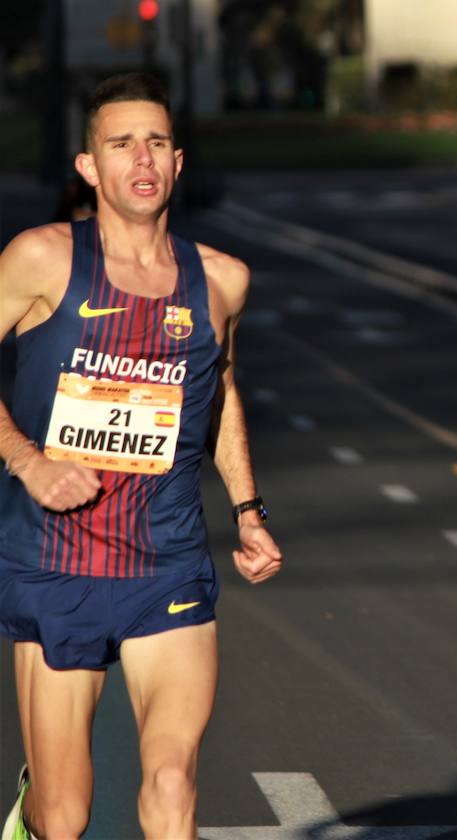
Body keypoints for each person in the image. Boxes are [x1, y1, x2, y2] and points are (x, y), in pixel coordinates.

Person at [0, 72, 282, 840]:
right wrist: (28, 461)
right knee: (65, 815)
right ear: (90, 168)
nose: (142, 158)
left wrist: (248, 511)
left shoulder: (220, 281)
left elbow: (218, 394)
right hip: (54, 566)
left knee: (170, 781)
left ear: (179, 161)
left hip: (168, 562)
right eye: (120, 144)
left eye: (156, 141)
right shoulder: (40, 260)